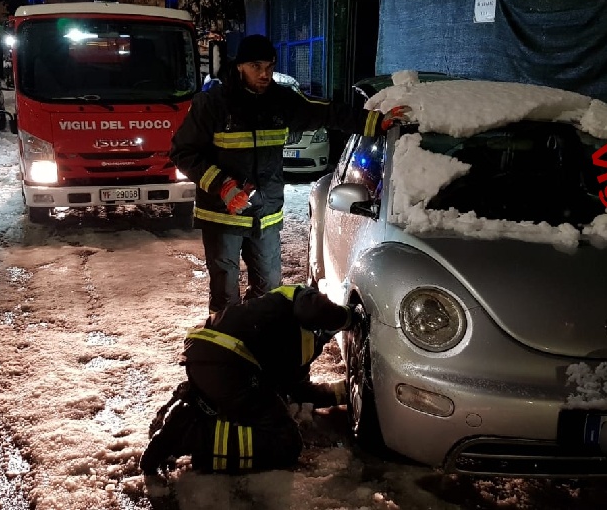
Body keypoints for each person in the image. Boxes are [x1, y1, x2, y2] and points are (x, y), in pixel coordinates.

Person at [170, 34, 409, 315]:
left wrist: (375, 122)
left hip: (265, 215)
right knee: (225, 295)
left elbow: (327, 112)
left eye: (269, 67)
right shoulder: (212, 104)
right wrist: (223, 185)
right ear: (239, 66)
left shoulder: (280, 101)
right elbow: (182, 152)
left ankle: (258, 335)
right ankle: (226, 337)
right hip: (222, 217)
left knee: (269, 291)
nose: (264, 74)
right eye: (256, 67)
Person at [139, 284, 364, 476]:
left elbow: (300, 391)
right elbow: (313, 309)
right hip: (230, 359)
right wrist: (347, 317)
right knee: (285, 443)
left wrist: (349, 390)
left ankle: (189, 411)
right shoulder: (303, 298)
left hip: (211, 356)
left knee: (253, 410)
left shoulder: (294, 342)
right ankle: (190, 435)